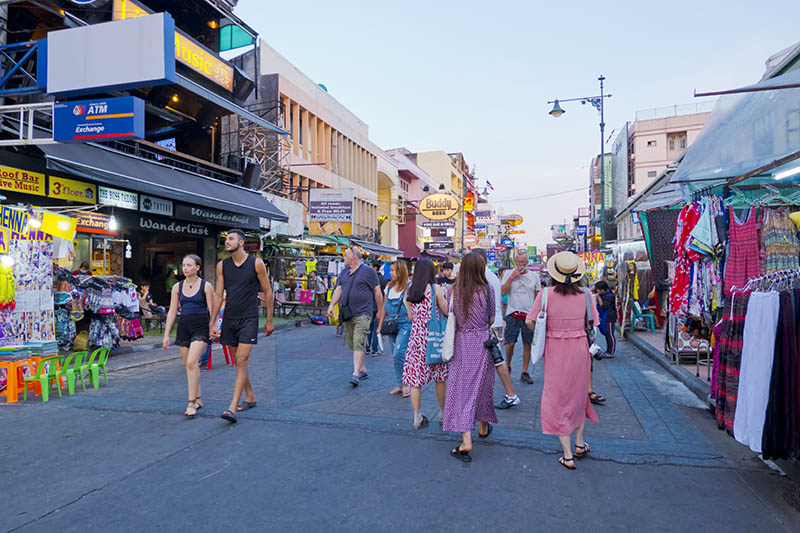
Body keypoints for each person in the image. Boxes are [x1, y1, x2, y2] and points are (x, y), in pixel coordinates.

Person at [526, 251, 599, 470]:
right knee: (578, 395)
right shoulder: (586, 294)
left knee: (556, 396)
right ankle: (579, 443)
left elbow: (530, 321)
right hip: (579, 349)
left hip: (555, 348)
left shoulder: (546, 294)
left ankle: (567, 454)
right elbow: (592, 323)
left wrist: (545, 329)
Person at [210, 229, 275, 424]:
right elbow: (218, 294)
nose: (227, 242)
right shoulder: (222, 266)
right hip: (230, 318)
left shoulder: (256, 264)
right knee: (240, 362)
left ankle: (232, 407)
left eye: (231, 239)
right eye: (226, 239)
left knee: (241, 361)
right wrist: (212, 321)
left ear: (241, 242)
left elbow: (268, 291)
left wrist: (270, 320)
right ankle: (250, 396)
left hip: (249, 318)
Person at [442, 252, 498, 463]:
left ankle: (466, 439)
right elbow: (491, 318)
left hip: (462, 342)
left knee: (463, 389)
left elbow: (451, 315)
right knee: (483, 386)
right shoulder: (488, 290)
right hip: (483, 342)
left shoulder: (453, 291)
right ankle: (483, 427)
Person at [162, 254, 214, 418]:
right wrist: (166, 334)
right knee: (190, 366)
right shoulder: (177, 287)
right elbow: (172, 311)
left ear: (197, 268)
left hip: (201, 327)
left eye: (189, 265)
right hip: (184, 327)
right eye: (184, 265)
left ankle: (191, 402)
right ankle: (198, 399)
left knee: (192, 362)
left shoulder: (206, 286)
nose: (185, 268)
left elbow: (212, 311)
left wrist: (214, 329)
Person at [327, 247, 384, 386]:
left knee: (359, 340)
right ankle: (362, 368)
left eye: (346, 255)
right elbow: (339, 289)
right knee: (352, 342)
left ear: (354, 257)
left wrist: (380, 310)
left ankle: (355, 373)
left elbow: (377, 291)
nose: (343, 257)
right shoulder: (344, 272)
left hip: (364, 312)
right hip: (348, 313)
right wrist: (331, 305)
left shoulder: (368, 271)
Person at [402, 258, 449, 429]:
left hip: (416, 338)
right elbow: (445, 311)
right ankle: (443, 414)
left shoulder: (409, 292)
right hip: (434, 338)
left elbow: (410, 317)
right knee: (440, 377)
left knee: (415, 380)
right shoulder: (436, 290)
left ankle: (416, 417)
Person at [473, 249, 520, 410]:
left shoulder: (483, 276)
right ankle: (509, 394)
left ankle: (510, 394)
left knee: (497, 360)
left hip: (488, 323)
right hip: (494, 321)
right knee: (495, 360)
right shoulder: (489, 275)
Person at [501, 250, 541, 384]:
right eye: (518, 262)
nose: (521, 265)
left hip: (529, 314)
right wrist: (512, 277)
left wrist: (537, 313)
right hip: (512, 312)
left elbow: (537, 295)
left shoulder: (534, 276)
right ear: (515, 262)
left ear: (527, 263)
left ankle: (525, 371)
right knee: (510, 343)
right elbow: (502, 292)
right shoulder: (507, 273)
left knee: (527, 343)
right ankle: (508, 365)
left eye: (523, 262)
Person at [377, 261, 411, 397]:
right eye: (390, 270)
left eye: (393, 270)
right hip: (391, 322)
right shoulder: (388, 287)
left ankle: (406, 383)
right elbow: (385, 306)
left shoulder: (409, 286)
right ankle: (400, 383)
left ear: (400, 271)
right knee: (395, 356)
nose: (390, 273)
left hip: (405, 323)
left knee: (399, 353)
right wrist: (380, 326)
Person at [366, 261, 388, 355]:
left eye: (370, 266)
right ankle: (375, 349)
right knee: (376, 327)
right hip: (379, 306)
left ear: (375, 268)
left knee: (369, 327)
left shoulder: (370, 279)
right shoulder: (383, 279)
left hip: (370, 305)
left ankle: (367, 347)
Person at [595, 280, 617, 359]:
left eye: (599, 290)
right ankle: (608, 351)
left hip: (609, 317)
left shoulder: (609, 296)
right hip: (606, 317)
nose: (597, 291)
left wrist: (598, 298)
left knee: (610, 334)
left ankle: (611, 352)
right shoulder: (604, 295)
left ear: (604, 289)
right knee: (607, 334)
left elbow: (604, 306)